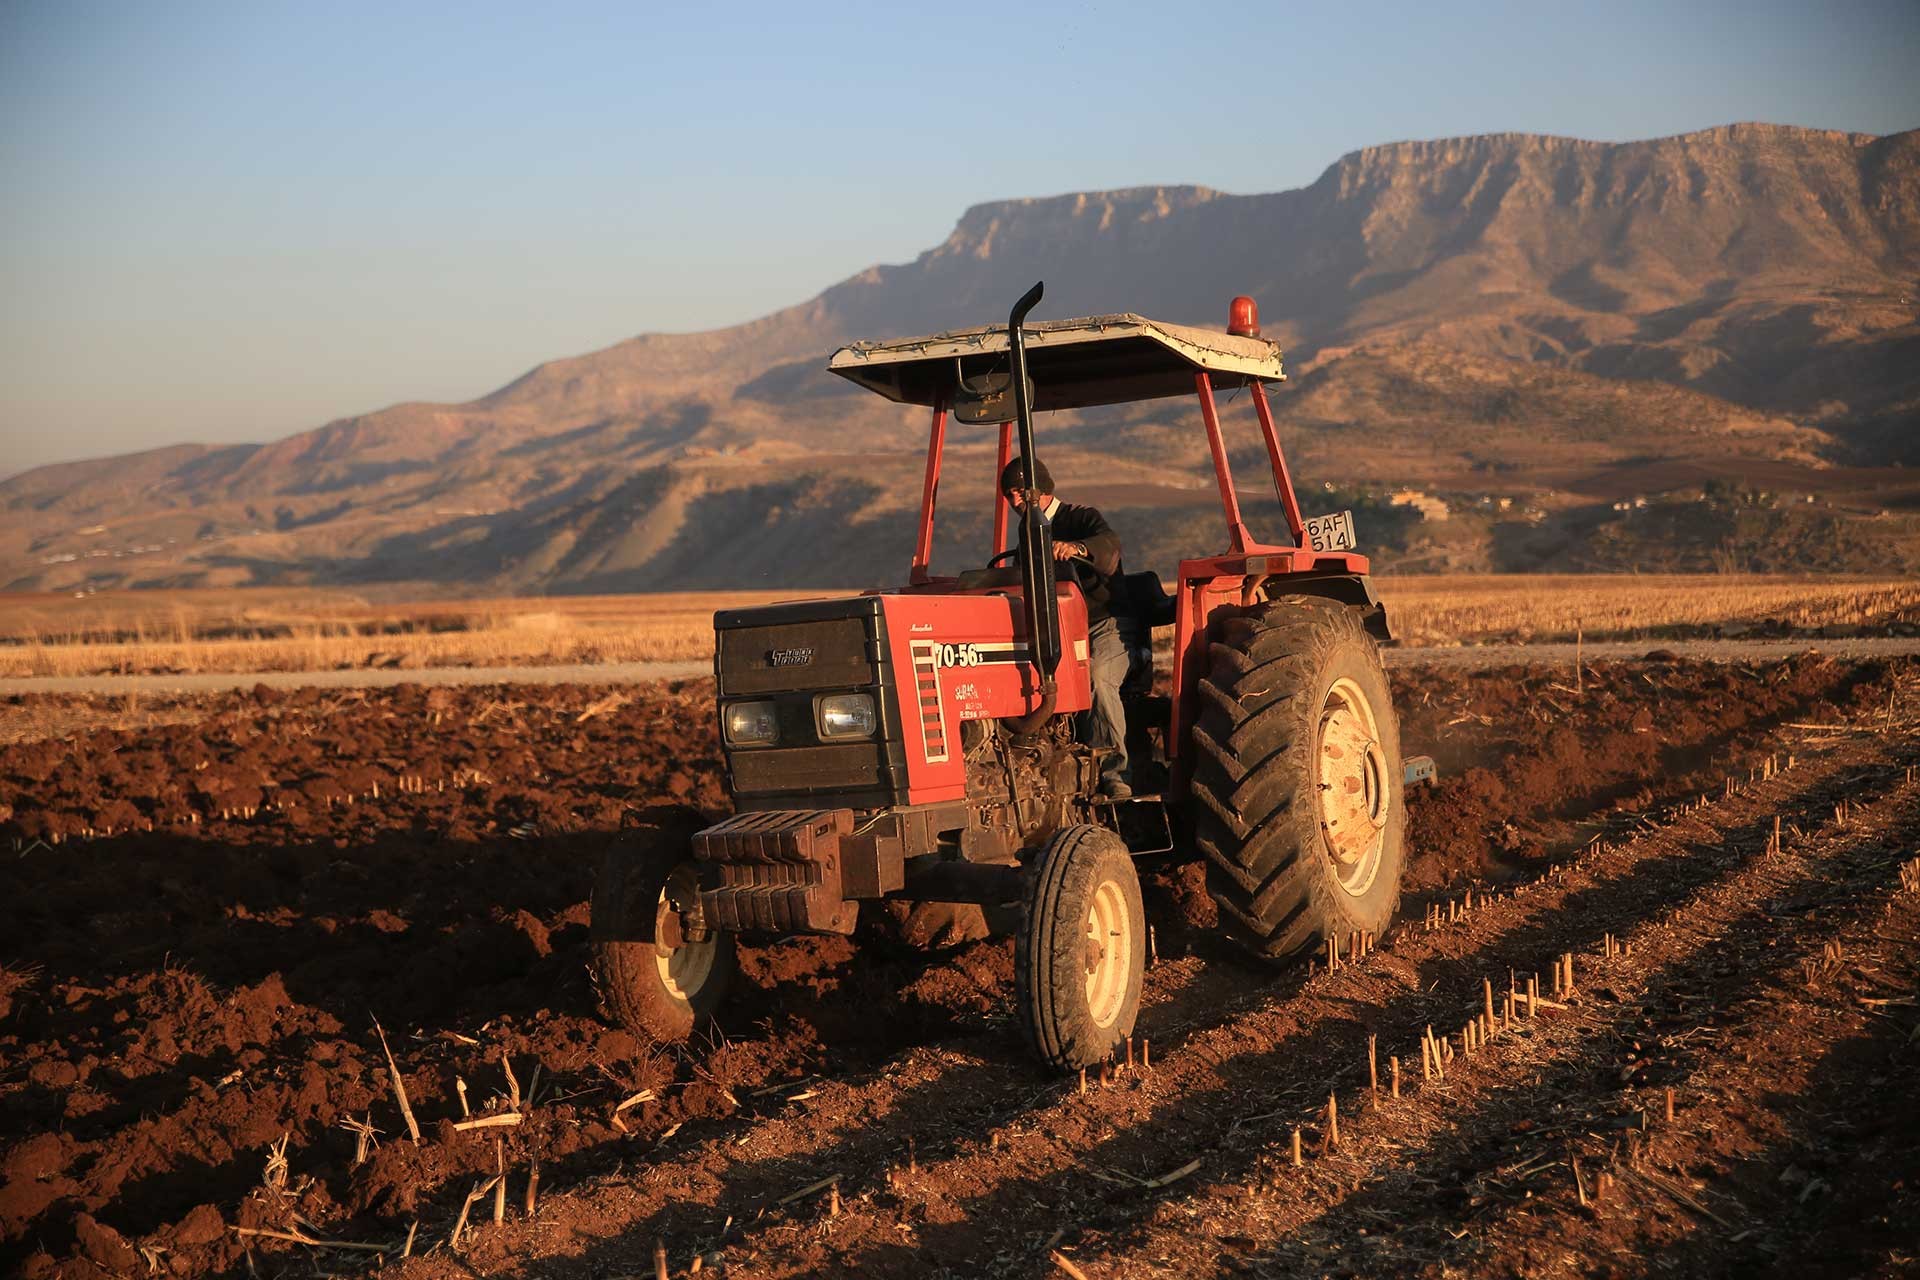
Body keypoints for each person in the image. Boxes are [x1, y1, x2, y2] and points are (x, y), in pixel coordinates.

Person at [999, 457, 1131, 799]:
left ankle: (1113, 771)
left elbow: (1109, 544)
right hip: (1056, 628)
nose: (1014, 503)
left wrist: (1078, 548)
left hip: (1103, 623)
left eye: (1018, 493)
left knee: (1097, 678)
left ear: (1039, 490)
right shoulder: (1026, 533)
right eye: (1008, 496)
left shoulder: (1080, 517)